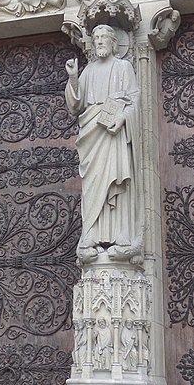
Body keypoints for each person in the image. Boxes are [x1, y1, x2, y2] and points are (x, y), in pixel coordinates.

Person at [65, 25, 141, 260]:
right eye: (96, 38)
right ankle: (91, 235)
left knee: (115, 182)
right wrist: (74, 79)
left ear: (113, 43)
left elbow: (135, 100)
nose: (99, 42)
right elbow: (76, 107)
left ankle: (121, 235)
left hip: (113, 134)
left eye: (103, 38)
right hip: (92, 133)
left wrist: (121, 118)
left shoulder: (123, 67)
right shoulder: (88, 70)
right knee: (93, 184)